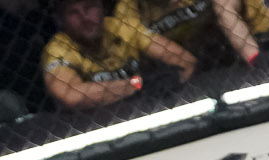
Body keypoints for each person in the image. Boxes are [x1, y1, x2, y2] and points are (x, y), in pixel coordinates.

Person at [40, 0, 191, 110]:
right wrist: (138, 84)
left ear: (102, 8)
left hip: (145, 107)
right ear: (61, 21)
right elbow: (71, 95)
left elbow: (185, 61)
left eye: (90, 7)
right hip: (92, 124)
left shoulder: (122, 27)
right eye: (73, 13)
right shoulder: (58, 48)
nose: (85, 18)